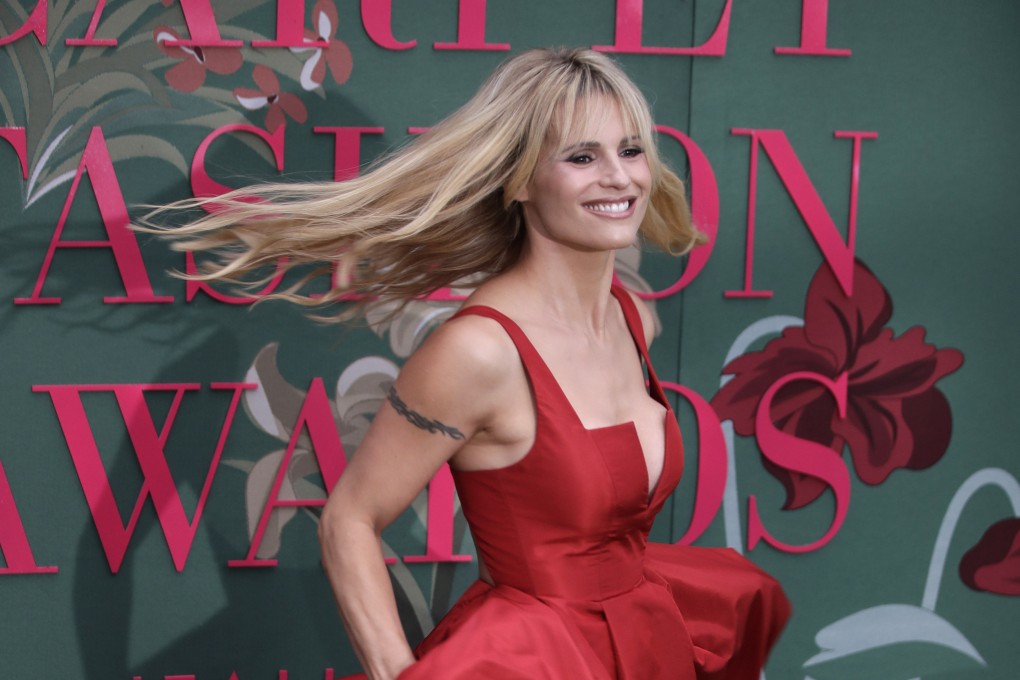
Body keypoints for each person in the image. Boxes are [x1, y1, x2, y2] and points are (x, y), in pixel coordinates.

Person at [149, 47, 790, 680]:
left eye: (629, 150)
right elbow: (349, 520)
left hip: (644, 642)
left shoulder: (633, 318)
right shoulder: (479, 352)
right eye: (581, 157)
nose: (620, 178)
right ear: (519, 180)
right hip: (531, 660)